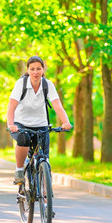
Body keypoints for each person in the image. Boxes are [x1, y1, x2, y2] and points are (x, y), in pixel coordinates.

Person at [7, 56, 72, 184]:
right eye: (32, 69)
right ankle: (19, 170)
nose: (35, 72)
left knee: (44, 158)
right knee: (23, 139)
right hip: (21, 123)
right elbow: (11, 106)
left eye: (38, 69)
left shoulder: (47, 85)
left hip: (41, 124)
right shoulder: (21, 84)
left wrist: (66, 122)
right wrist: (11, 124)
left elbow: (57, 106)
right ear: (28, 70)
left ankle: (46, 193)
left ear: (43, 69)